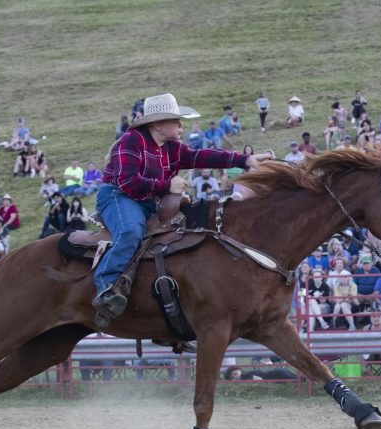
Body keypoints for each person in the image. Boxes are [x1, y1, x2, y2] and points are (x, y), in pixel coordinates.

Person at [92, 93, 269, 324]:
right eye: (176, 121)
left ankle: (165, 309)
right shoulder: (130, 142)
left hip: (147, 200)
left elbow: (201, 156)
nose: (181, 125)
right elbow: (127, 183)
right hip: (118, 196)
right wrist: (167, 185)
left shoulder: (172, 147)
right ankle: (106, 289)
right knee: (130, 231)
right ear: (158, 124)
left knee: (176, 238)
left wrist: (243, 161)